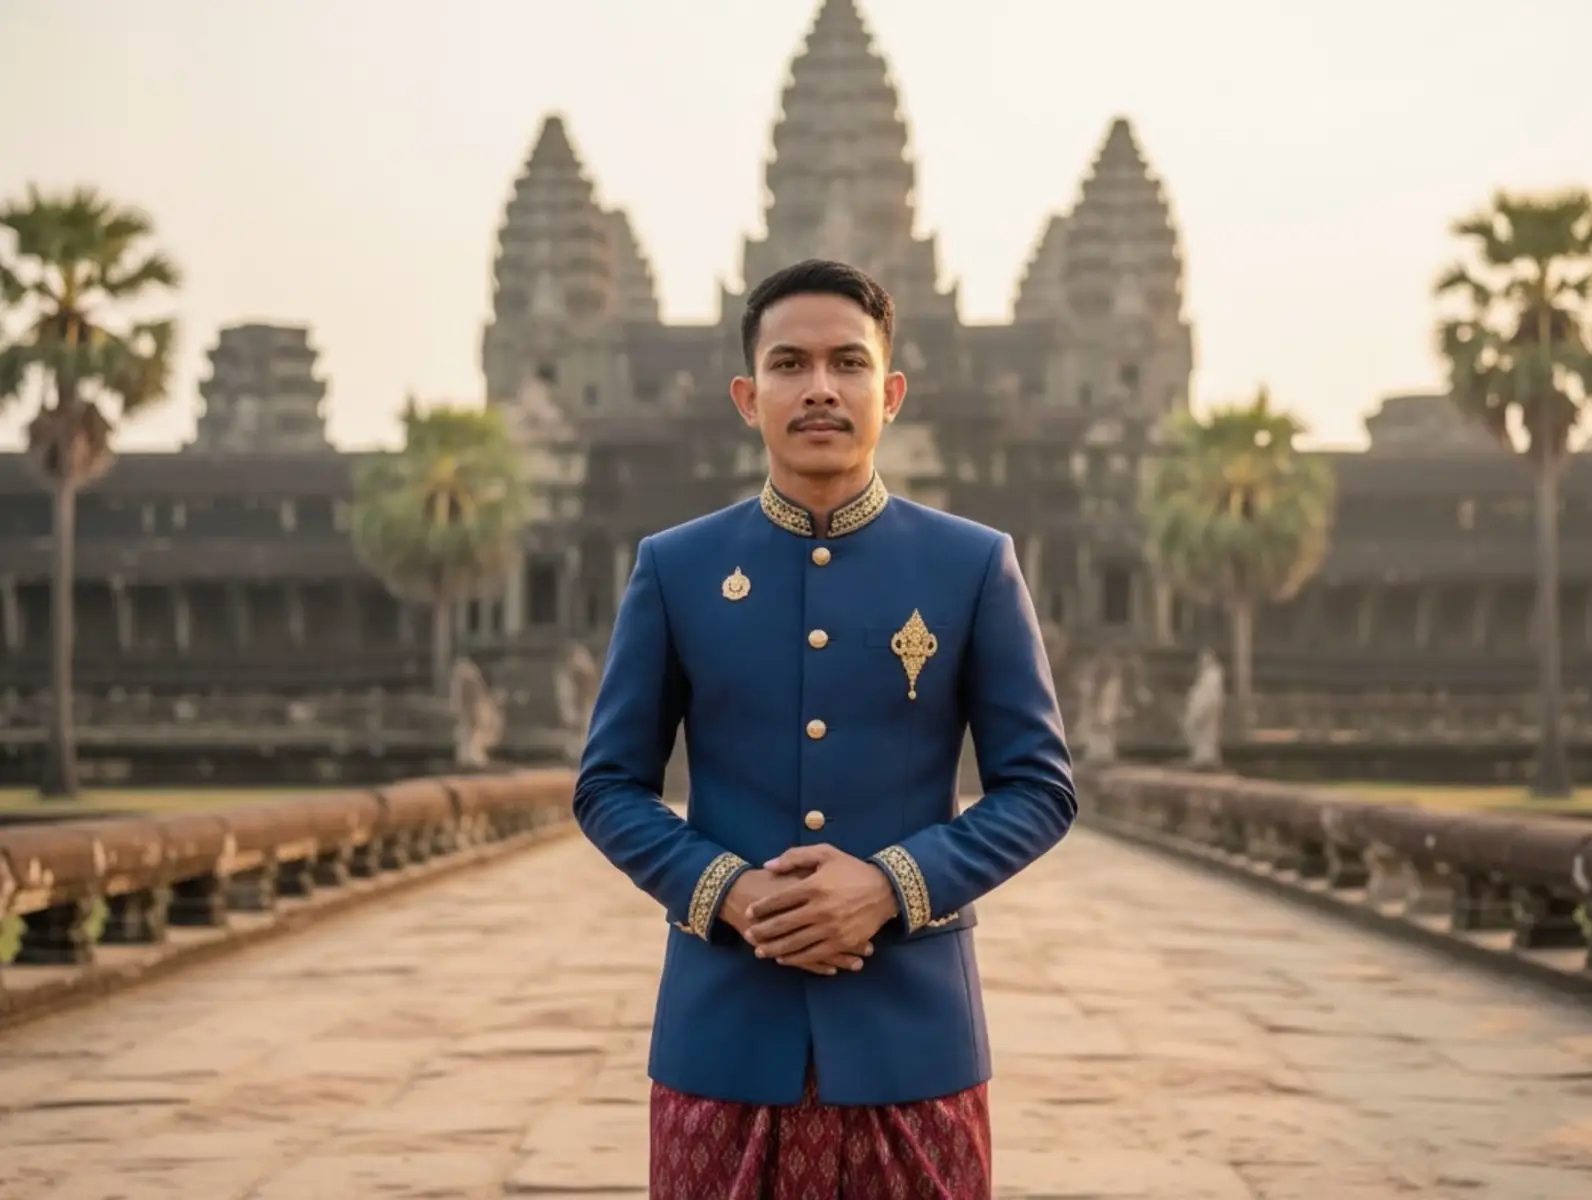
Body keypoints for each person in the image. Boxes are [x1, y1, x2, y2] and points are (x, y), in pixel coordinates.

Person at [573, 258, 1076, 1198]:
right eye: (789, 364)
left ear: (889, 393)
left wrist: (893, 884)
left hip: (912, 1042)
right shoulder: (677, 569)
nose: (819, 388)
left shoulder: (971, 566)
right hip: (722, 1035)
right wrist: (727, 891)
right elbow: (606, 788)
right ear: (746, 395)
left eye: (847, 364)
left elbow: (1041, 790)